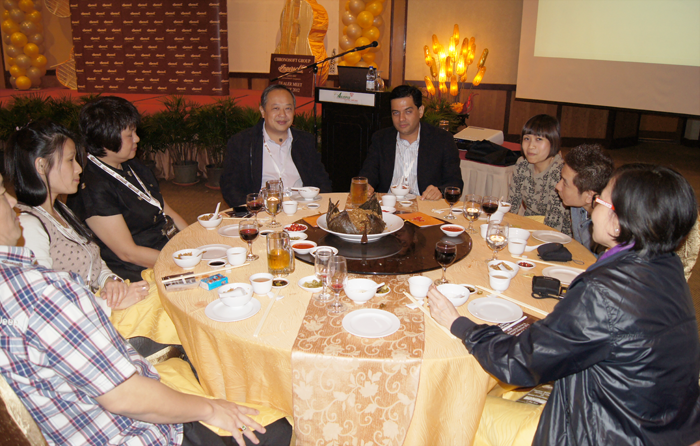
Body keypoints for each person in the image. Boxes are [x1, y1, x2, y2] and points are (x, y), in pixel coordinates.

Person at [0, 172, 294, 446]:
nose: (13, 201)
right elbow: (126, 398)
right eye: (2, 194)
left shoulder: (17, 282)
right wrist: (211, 409)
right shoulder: (42, 291)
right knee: (279, 429)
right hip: (135, 431)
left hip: (99, 402)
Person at [428, 164, 700, 445]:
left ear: (618, 223)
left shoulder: (604, 291)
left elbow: (520, 362)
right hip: (663, 427)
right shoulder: (668, 266)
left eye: (600, 200)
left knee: (456, 413)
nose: (593, 209)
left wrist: (459, 324)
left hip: (603, 434)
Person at [5, 119, 148, 311]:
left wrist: (110, 281)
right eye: (70, 160)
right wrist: (106, 305)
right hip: (82, 319)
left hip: (96, 305)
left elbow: (94, 262)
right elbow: (43, 301)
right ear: (42, 166)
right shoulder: (28, 226)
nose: (79, 168)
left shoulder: (61, 210)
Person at [67, 96, 188, 283]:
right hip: (137, 270)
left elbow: (165, 208)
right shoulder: (93, 187)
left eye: (135, 132)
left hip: (167, 248)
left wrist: (192, 242)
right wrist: (183, 261)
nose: (137, 139)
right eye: (129, 135)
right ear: (106, 139)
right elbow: (128, 253)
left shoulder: (131, 164)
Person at [219, 84, 332, 207]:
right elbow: (230, 187)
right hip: (262, 211)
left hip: (301, 209)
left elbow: (322, 181)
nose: (282, 114)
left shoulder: (304, 141)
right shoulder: (242, 142)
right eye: (276, 108)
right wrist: (253, 209)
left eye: (288, 108)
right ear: (263, 111)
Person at [358, 85, 463, 201]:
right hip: (388, 205)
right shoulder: (381, 138)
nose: (401, 119)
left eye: (408, 112)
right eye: (396, 113)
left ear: (420, 111)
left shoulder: (442, 140)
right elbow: (368, 172)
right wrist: (366, 185)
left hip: (424, 205)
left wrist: (440, 191)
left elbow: (455, 182)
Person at [508, 114, 571, 235]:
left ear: (553, 142)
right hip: (528, 227)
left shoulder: (560, 172)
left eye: (539, 139)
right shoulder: (522, 164)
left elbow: (553, 225)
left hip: (556, 235)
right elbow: (512, 205)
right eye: (527, 139)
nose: (531, 146)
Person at [555, 143, 614, 256]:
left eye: (565, 183)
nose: (558, 186)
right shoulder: (578, 204)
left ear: (589, 196)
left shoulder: (609, 227)